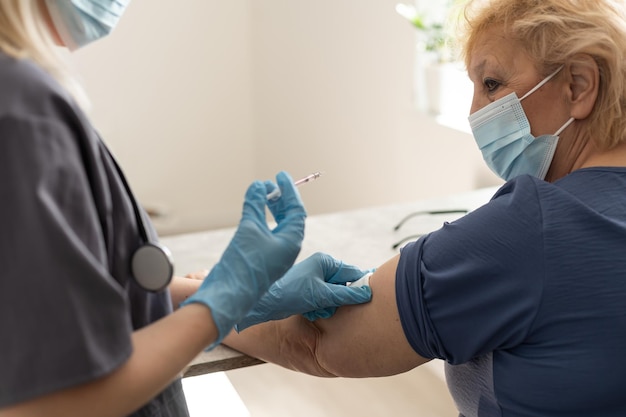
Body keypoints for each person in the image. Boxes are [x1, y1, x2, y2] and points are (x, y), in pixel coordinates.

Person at [222, 0, 626, 415]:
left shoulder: (530, 227)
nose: (475, 113)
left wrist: (206, 295)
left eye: (491, 83)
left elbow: (319, 342)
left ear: (578, 85)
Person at [0, 1, 371, 416]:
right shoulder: (20, 111)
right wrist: (228, 294)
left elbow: (82, 292)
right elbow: (48, 402)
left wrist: (249, 294)